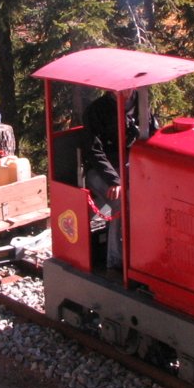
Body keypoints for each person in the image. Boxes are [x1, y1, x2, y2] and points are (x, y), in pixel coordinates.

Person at [82, 89, 156, 270]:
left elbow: (153, 132)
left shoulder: (141, 102)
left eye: (131, 86)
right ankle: (116, 262)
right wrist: (114, 180)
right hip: (102, 170)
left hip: (132, 166)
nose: (127, 91)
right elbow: (94, 151)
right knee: (122, 203)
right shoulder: (96, 110)